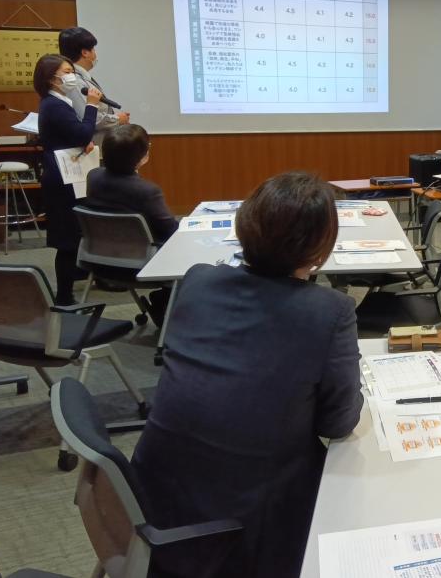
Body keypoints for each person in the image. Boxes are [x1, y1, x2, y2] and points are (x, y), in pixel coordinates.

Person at [131, 172, 363, 577]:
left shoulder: (198, 280)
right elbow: (338, 423)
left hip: (154, 496)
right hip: (247, 517)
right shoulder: (329, 312)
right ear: (321, 248)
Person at [84, 124, 178, 326]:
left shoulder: (93, 177)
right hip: (141, 265)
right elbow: (171, 231)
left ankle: (165, 301)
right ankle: (167, 301)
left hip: (98, 262)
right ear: (142, 156)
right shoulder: (146, 191)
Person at [34, 53, 102, 305]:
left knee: (71, 235)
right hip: (62, 178)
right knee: (67, 240)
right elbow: (82, 133)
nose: (72, 76)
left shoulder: (58, 102)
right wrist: (92, 106)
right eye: (66, 72)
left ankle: (69, 288)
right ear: (51, 79)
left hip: (65, 172)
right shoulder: (54, 105)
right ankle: (64, 296)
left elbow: (72, 136)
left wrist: (81, 142)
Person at [58, 27, 130, 143]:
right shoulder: (75, 80)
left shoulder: (82, 77)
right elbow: (87, 117)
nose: (95, 54)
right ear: (85, 53)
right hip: (91, 144)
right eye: (93, 49)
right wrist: (117, 119)